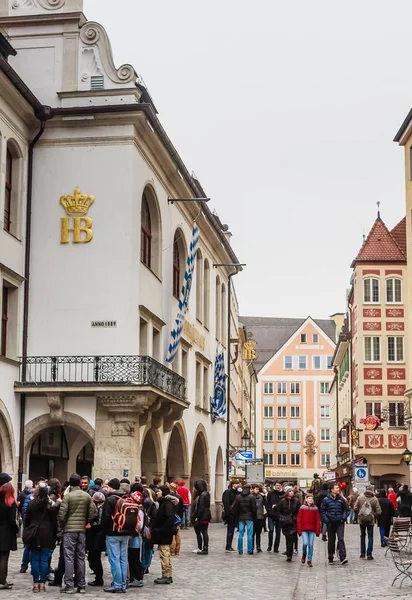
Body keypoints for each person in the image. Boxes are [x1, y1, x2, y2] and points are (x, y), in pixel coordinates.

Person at [59, 473, 97, 594]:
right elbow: (93, 513)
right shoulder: (86, 496)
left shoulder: (68, 497)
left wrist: (64, 524)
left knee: (69, 557)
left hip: (69, 530)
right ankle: (81, 584)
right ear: (80, 483)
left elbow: (62, 515)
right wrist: (85, 521)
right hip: (81, 530)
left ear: (70, 483)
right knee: (80, 557)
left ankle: (69, 584)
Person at [24, 482, 58, 593]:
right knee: (44, 560)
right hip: (47, 533)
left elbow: (27, 519)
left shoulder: (32, 504)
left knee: (34, 559)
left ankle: (36, 583)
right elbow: (54, 521)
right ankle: (42, 584)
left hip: (34, 533)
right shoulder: (50, 505)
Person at [101, 477, 131, 593]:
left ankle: (117, 584)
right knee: (123, 559)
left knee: (114, 559)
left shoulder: (110, 499)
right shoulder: (126, 497)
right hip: (125, 531)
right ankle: (123, 583)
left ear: (110, 487)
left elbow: (105, 517)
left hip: (113, 532)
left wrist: (104, 530)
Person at [152, 486, 179, 584]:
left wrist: (161, 529)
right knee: (165, 553)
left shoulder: (167, 504)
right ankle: (167, 574)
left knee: (165, 554)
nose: (157, 492)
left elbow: (170, 518)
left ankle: (166, 575)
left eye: (159, 491)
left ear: (163, 492)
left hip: (165, 533)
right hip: (164, 533)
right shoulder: (164, 503)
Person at [321, 483, 348, 565]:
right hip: (330, 522)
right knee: (331, 540)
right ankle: (330, 557)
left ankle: (342, 557)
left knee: (340, 539)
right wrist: (326, 520)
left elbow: (345, 510)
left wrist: (343, 518)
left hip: (340, 522)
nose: (338, 489)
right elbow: (322, 511)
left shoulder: (341, 499)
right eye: (336, 488)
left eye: (338, 488)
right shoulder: (326, 500)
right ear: (332, 490)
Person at [354, 484, 382, 559]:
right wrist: (373, 515)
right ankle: (369, 554)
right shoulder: (375, 499)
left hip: (362, 520)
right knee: (370, 536)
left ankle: (362, 553)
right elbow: (379, 511)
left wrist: (360, 513)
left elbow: (355, 508)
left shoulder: (360, 497)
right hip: (370, 521)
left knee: (362, 535)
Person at [0, 479, 18, 589]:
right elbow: (12, 521)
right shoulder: (10, 503)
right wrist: (16, 529)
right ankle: (2, 580)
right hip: (6, 532)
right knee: (4, 557)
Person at [86, 492, 106, 587]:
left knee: (94, 558)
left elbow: (99, 524)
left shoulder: (100, 509)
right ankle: (98, 577)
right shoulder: (102, 508)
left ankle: (99, 578)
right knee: (94, 557)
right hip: (98, 536)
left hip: (96, 537)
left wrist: (90, 526)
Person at [230, 484, 256, 555]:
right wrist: (254, 517)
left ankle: (240, 550)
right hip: (249, 517)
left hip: (241, 517)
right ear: (249, 489)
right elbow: (254, 509)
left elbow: (233, 507)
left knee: (240, 534)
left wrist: (237, 515)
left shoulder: (238, 497)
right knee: (250, 534)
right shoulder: (252, 497)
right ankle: (250, 550)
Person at [297, 493, 320, 567]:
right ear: (306, 499)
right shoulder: (302, 508)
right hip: (304, 529)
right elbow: (299, 519)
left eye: (311, 498)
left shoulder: (315, 508)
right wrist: (299, 530)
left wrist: (317, 531)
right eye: (309, 498)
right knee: (305, 543)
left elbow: (317, 520)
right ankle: (304, 554)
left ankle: (309, 559)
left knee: (311, 544)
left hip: (312, 530)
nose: (310, 500)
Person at [127, 490, 145, 588]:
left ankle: (138, 578)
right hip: (134, 537)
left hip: (136, 537)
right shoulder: (135, 508)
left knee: (135, 558)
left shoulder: (139, 510)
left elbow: (140, 525)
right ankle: (134, 577)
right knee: (132, 557)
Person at [277, 486, 300, 562]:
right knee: (288, 538)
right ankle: (289, 554)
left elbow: (299, 512)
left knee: (292, 538)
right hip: (286, 522)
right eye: (290, 491)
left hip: (293, 522)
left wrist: (295, 518)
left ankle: (290, 554)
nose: (292, 492)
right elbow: (278, 512)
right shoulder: (282, 501)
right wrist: (282, 518)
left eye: (292, 491)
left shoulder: (296, 501)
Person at [191, 480, 211, 555]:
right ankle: (205, 548)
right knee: (204, 532)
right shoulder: (206, 493)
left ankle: (205, 548)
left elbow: (201, 507)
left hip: (203, 516)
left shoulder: (203, 495)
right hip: (206, 515)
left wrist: (196, 517)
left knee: (204, 532)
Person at [18, 479, 34, 574]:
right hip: (32, 525)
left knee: (28, 547)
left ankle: (24, 566)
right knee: (30, 547)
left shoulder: (25, 495)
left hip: (29, 524)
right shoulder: (29, 497)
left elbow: (23, 509)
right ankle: (26, 565)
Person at [222, 479, 239, 552]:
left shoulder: (237, 492)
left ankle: (229, 545)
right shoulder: (228, 492)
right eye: (236, 483)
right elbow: (226, 503)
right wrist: (228, 514)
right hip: (230, 514)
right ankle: (228, 545)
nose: (238, 485)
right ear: (233, 484)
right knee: (230, 530)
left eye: (238, 483)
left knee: (232, 530)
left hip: (235, 514)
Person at [267, 481, 283, 552]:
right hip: (271, 515)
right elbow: (267, 503)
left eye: (279, 485)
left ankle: (276, 548)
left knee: (278, 532)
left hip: (279, 516)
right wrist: (269, 511)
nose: (278, 486)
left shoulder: (283, 494)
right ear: (274, 486)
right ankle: (269, 546)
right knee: (271, 530)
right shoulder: (270, 493)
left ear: (281, 486)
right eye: (277, 485)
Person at [169, 482, 183, 556]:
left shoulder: (169, 497)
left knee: (172, 534)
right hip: (178, 517)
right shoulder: (179, 497)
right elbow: (181, 508)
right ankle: (177, 550)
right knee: (177, 533)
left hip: (171, 517)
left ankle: (172, 550)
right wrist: (180, 518)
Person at [252, 485, 266, 553]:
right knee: (252, 533)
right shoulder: (251, 497)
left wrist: (264, 495)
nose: (257, 490)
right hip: (253, 517)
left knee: (258, 533)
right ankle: (251, 546)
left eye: (258, 489)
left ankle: (258, 546)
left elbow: (265, 503)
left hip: (260, 517)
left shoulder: (261, 496)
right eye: (256, 489)